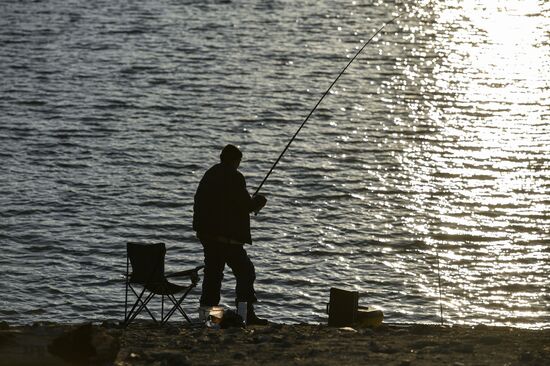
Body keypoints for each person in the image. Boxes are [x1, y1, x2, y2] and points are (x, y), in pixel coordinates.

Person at [193, 144, 268, 325]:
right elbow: (246, 206)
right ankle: (245, 315)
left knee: (213, 276)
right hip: (227, 239)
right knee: (245, 273)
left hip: (208, 236)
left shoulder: (210, 174)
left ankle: (210, 318)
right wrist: (260, 200)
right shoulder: (234, 176)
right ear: (235, 161)